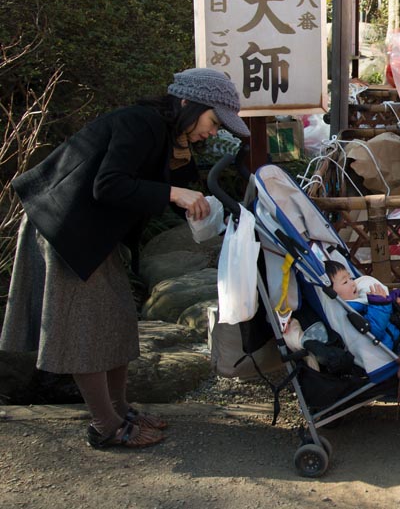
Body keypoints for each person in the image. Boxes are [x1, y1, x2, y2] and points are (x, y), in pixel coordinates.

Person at [0, 67, 251, 449]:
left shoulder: (165, 135)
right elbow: (109, 184)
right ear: (188, 103)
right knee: (84, 329)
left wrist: (180, 175)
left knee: (117, 321)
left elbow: (142, 188)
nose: (213, 132)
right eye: (213, 121)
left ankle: (121, 411)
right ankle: (105, 426)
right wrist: (173, 193)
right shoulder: (141, 123)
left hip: (92, 234)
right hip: (64, 230)